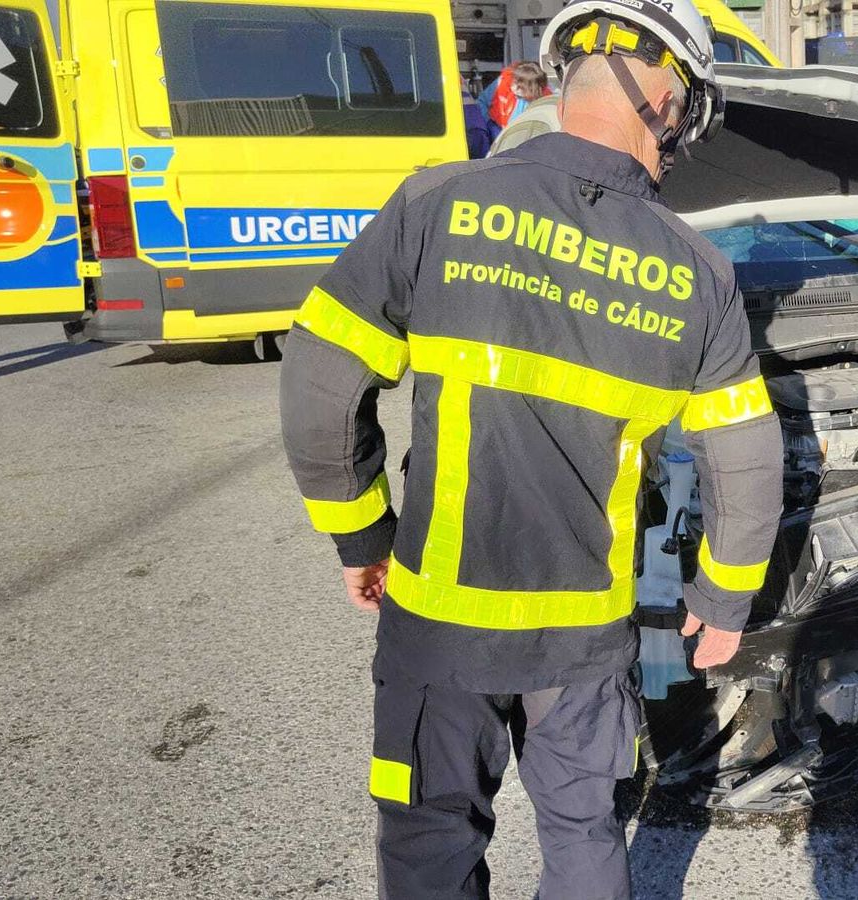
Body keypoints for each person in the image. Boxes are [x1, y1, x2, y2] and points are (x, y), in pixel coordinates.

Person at [278, 0, 781, 896]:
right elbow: (744, 458)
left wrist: (361, 538)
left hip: (437, 620)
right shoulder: (697, 272)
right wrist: (726, 598)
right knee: (585, 833)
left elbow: (320, 387)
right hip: (580, 640)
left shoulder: (439, 200)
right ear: (665, 103)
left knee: (430, 841)